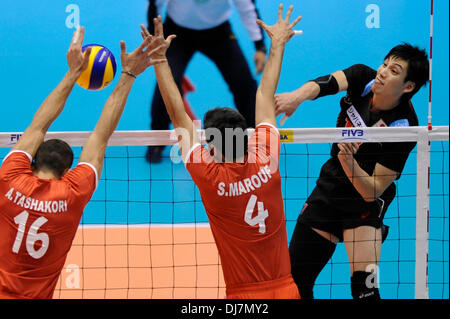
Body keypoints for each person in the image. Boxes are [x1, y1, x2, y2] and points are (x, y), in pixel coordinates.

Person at [141, 4, 302, 298]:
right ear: (246, 134)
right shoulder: (267, 154)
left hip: (243, 297)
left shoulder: (209, 175)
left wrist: (160, 60)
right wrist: (276, 45)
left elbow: (178, 116)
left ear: (211, 145)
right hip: (288, 289)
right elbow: (265, 95)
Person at [0, 27, 165, 299]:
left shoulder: (10, 177)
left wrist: (73, 71)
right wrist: (128, 74)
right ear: (67, 172)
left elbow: (38, 126)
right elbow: (101, 135)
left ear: (30, 163)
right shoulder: (72, 193)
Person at [275, 43, 429, 299]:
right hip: (330, 187)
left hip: (364, 205)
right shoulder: (362, 77)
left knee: (364, 290)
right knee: (296, 280)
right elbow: (324, 84)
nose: (382, 71)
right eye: (385, 63)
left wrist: (350, 164)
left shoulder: (404, 127)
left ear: (408, 86)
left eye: (394, 70)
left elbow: (374, 190)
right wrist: (296, 97)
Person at [145, 0, 267, 163]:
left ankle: (255, 138)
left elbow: (247, 8)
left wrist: (260, 46)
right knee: (166, 84)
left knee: (244, 82)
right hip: (176, 33)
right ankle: (157, 140)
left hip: (218, 33)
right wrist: (153, 38)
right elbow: (155, 5)